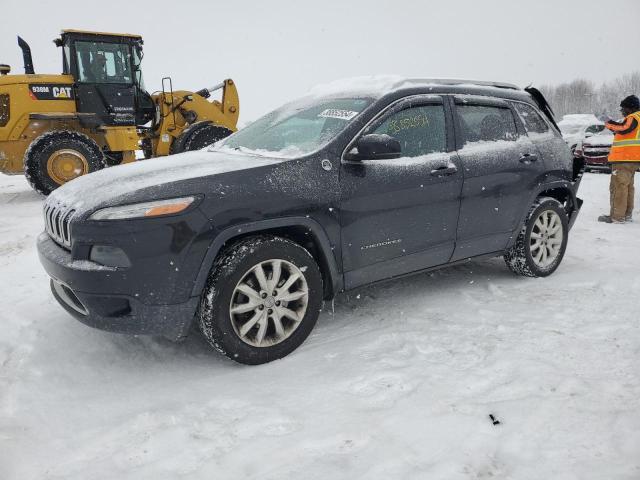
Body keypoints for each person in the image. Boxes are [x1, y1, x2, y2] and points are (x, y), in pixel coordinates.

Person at [598, 95, 640, 223]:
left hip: (624, 158)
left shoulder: (633, 117)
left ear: (631, 108)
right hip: (632, 159)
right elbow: (623, 132)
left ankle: (617, 217)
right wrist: (612, 126)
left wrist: (608, 122)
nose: (622, 111)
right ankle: (626, 214)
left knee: (618, 187)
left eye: (624, 108)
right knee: (627, 187)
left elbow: (623, 129)